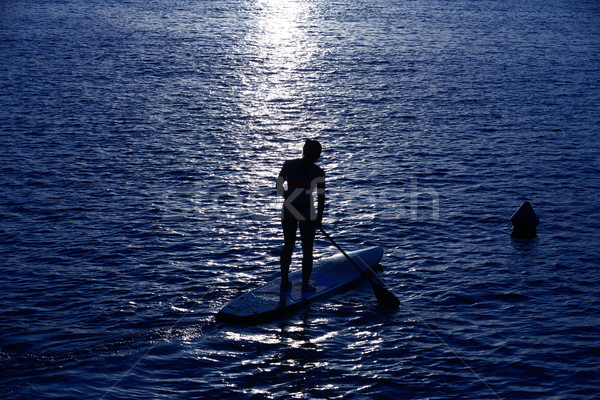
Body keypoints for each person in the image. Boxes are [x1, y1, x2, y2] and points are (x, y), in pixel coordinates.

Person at [276, 139, 325, 293]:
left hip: (289, 209)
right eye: (318, 154)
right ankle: (305, 286)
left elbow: (278, 185)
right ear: (315, 154)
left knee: (288, 246)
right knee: (307, 250)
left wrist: (288, 198)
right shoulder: (318, 171)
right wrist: (319, 219)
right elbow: (321, 198)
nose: (318, 157)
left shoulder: (288, 164)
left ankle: (285, 282)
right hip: (307, 212)